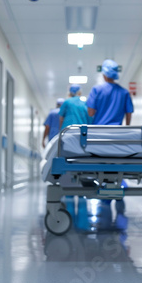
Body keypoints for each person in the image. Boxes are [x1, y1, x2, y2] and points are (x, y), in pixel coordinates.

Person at [86, 59, 134, 230]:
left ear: (104, 75)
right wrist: (126, 129)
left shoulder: (97, 90)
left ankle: (105, 196)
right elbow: (129, 114)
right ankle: (120, 186)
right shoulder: (124, 92)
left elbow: (90, 112)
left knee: (101, 165)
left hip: (99, 136)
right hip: (118, 135)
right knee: (116, 163)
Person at [59, 84, 91, 231]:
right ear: (80, 92)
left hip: (68, 137)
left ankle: (70, 209)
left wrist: (60, 133)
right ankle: (83, 218)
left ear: (70, 93)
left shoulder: (66, 102)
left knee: (68, 167)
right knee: (82, 166)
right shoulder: (85, 103)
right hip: (82, 139)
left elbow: (61, 120)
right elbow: (90, 122)